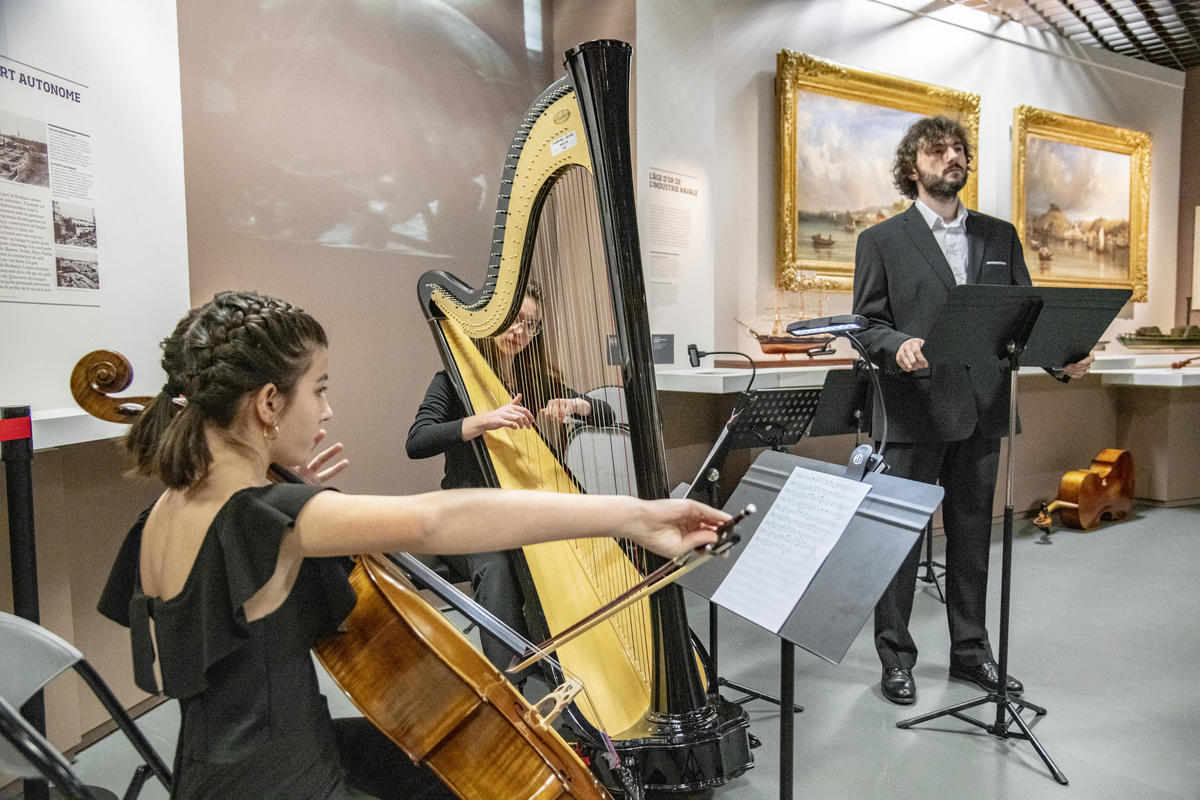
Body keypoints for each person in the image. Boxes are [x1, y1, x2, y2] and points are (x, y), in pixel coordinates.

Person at [98, 290, 726, 799]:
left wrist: (287, 502)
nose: (327, 411)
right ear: (268, 403)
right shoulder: (266, 519)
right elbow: (434, 521)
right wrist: (633, 515)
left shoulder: (163, 511)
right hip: (288, 781)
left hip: (208, 771)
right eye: (319, 388)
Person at [851, 116, 1094, 705]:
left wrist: (1062, 360)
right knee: (901, 541)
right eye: (939, 150)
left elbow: (1024, 316)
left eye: (959, 149)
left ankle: (971, 653)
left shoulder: (999, 236)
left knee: (970, 541)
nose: (953, 157)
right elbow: (867, 324)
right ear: (914, 167)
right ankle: (896, 657)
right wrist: (894, 344)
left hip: (982, 411)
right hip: (912, 413)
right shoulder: (881, 241)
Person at [405, 282, 610, 677]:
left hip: (519, 512)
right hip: (466, 512)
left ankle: (573, 667)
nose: (520, 332)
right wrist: (483, 421)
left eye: (530, 325)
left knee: (583, 545)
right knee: (497, 567)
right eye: (514, 321)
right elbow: (417, 441)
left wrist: (577, 404)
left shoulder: (534, 381)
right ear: (492, 321)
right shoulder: (451, 381)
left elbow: (601, 410)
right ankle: (508, 690)